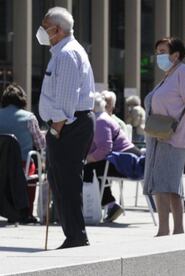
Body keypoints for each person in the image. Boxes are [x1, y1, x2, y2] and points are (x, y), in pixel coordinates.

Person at [37, 7, 95, 249]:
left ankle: (76, 235)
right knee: (60, 180)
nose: (41, 30)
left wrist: (56, 128)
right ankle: (72, 233)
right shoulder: (61, 52)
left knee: (66, 181)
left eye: (45, 25)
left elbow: (67, 99)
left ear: (57, 30)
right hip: (69, 125)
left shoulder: (67, 54)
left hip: (69, 125)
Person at [143, 37, 185, 236]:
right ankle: (177, 229)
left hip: (173, 136)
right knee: (172, 185)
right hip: (161, 136)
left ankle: (163, 229)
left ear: (175, 55)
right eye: (157, 51)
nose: (158, 55)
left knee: (162, 184)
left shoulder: (183, 72)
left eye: (162, 51)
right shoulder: (169, 75)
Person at [83, 93, 141, 222]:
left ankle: (105, 206)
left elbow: (104, 149)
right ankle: (109, 205)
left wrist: (88, 158)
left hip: (127, 161)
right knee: (94, 169)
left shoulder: (100, 121)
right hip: (124, 158)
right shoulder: (102, 118)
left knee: (90, 169)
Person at [0, 84, 46, 224]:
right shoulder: (29, 118)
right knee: (33, 167)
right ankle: (27, 212)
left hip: (1, 164)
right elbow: (41, 145)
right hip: (22, 164)